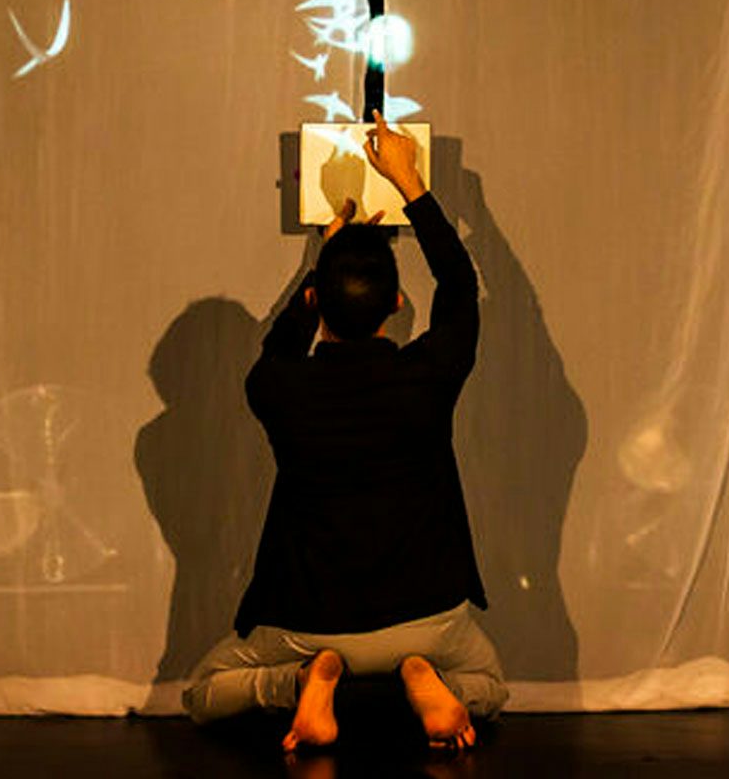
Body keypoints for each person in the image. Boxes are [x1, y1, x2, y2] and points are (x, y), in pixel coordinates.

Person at [182, 112, 506, 753]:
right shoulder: (428, 378)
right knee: (487, 685)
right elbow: (459, 285)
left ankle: (303, 680)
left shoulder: (277, 389)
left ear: (314, 304)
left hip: (310, 621)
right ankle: (419, 678)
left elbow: (278, 349)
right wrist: (411, 184)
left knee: (205, 690)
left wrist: (322, 265)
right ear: (396, 305)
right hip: (427, 616)